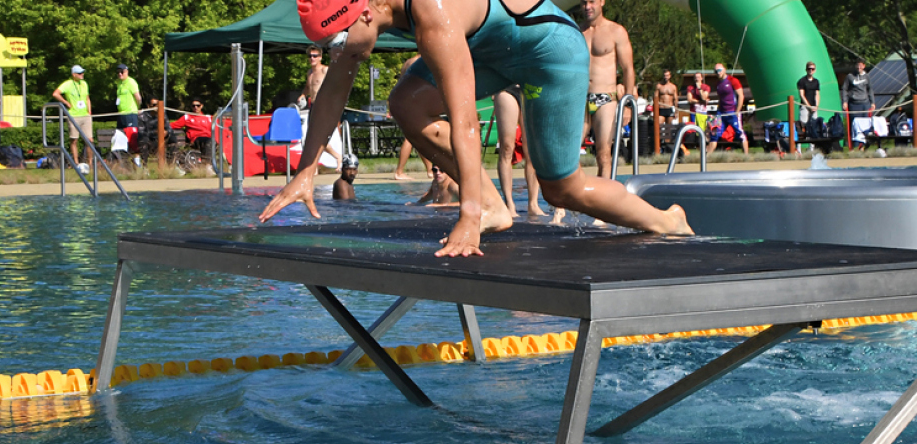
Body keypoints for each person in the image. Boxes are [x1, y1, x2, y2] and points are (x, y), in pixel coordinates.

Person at [260, 0, 692, 257]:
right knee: (406, 102)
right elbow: (334, 91)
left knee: (563, 189)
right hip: (494, 54)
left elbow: (463, 119)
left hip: (550, 55)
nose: (336, 55)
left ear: (365, 14)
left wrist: (465, 215)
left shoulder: (434, 13)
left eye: (335, 43)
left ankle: (667, 220)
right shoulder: (363, 15)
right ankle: (494, 208)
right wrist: (305, 171)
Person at [580, 0, 635, 180]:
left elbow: (628, 69)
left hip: (606, 97)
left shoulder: (616, 31)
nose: (587, 7)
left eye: (592, 2)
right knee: (570, 156)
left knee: (603, 154)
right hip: (580, 98)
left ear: (602, 2)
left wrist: (627, 103)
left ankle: (602, 203)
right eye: (583, 3)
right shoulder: (577, 32)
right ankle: (570, 201)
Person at [493, 86, 547, 217]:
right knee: (507, 148)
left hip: (528, 87)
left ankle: (533, 204)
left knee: (531, 151)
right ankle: (509, 203)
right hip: (507, 87)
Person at [392, 55, 433, 180]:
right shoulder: (421, 61)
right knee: (411, 137)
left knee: (418, 135)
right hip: (414, 99)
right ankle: (399, 171)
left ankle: (430, 169)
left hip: (404, 98)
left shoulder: (408, 62)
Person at [52, 65, 92, 167]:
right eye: (79, 73)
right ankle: (76, 162)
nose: (82, 74)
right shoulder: (68, 84)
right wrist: (66, 103)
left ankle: (90, 163)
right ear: (74, 74)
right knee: (74, 140)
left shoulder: (84, 84)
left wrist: (89, 112)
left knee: (89, 140)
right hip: (73, 116)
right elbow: (56, 94)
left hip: (85, 116)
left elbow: (87, 98)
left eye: (82, 72)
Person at [706, 63, 748, 154]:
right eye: (716, 71)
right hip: (721, 112)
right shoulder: (718, 84)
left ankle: (746, 156)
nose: (718, 73)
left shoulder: (733, 80)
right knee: (714, 133)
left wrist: (737, 111)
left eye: (720, 70)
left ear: (724, 70)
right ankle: (706, 157)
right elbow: (720, 99)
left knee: (740, 133)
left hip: (732, 112)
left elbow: (741, 96)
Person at [841, 59, 875, 150]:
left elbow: (870, 89)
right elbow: (844, 89)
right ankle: (854, 146)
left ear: (864, 66)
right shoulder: (850, 76)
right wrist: (844, 101)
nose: (859, 67)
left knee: (866, 126)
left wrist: (872, 103)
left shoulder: (866, 76)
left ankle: (864, 146)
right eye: (857, 65)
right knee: (855, 125)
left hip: (865, 104)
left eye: (860, 65)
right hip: (854, 104)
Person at [115, 64, 142, 130]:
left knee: (131, 136)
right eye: (118, 72)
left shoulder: (131, 82)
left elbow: (138, 98)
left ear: (127, 72)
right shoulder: (119, 83)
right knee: (120, 136)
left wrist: (137, 108)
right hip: (121, 114)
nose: (120, 74)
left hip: (130, 114)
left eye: (122, 72)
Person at [797, 61, 820, 130]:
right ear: (806, 70)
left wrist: (816, 106)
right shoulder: (802, 81)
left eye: (812, 69)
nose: (811, 70)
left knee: (814, 124)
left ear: (815, 70)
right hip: (805, 106)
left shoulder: (816, 81)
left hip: (813, 106)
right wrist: (808, 106)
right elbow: (802, 95)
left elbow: (817, 94)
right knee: (803, 124)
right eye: (809, 69)